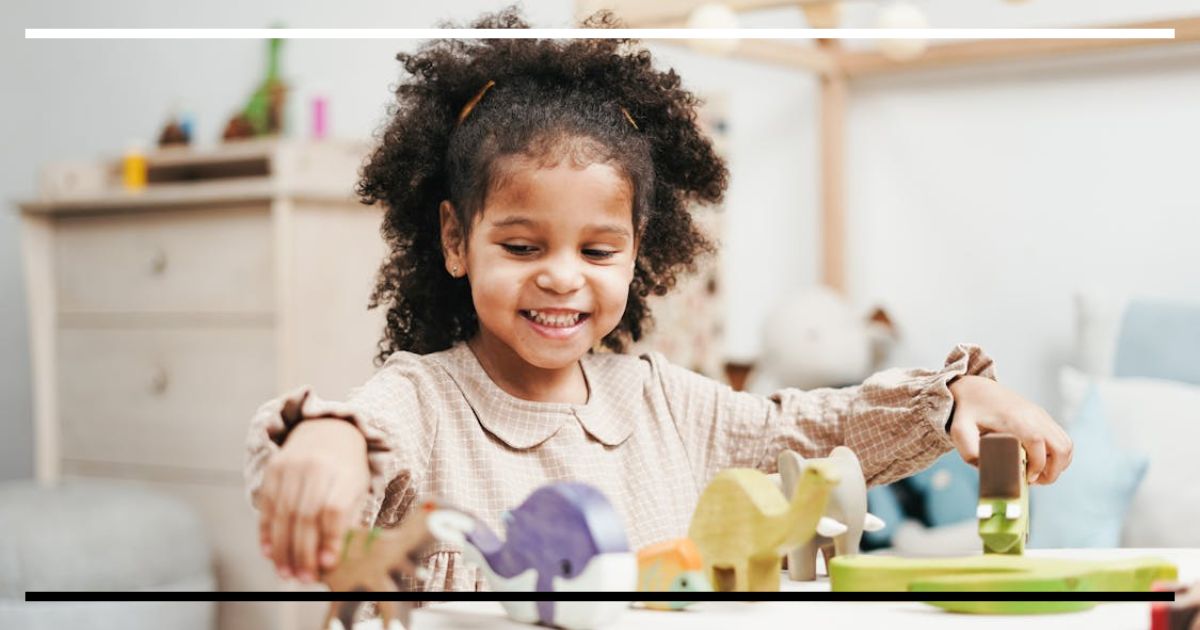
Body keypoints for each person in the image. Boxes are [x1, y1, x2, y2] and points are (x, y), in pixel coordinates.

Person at [245, 8, 1072, 592]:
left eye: (598, 250)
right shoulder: (422, 401)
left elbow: (815, 427)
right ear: (457, 241)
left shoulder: (665, 402)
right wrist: (324, 443)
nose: (563, 276)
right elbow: (353, 438)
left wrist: (954, 395)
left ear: (638, 250)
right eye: (522, 246)